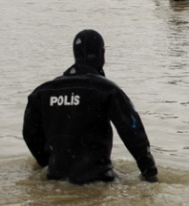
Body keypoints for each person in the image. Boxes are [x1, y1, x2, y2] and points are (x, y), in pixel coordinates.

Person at [23, 29, 158, 184]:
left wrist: (47, 162)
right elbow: (132, 131)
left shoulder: (43, 92)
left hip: (55, 179)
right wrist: (149, 173)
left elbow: (30, 133)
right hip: (98, 181)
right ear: (102, 54)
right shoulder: (106, 90)